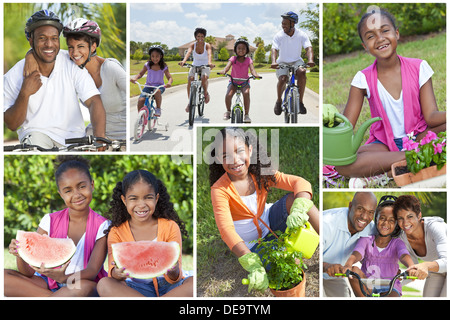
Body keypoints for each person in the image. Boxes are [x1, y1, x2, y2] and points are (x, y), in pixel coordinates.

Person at [323, 8, 446, 185]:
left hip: (419, 136)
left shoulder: (420, 67)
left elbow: (431, 117)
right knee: (342, 165)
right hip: (384, 146)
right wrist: (331, 119)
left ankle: (387, 172)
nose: (380, 38)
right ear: (365, 46)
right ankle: (413, 158)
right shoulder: (362, 79)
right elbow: (346, 126)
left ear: (396, 34)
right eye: (370, 36)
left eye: (385, 30)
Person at [208, 127, 319, 292]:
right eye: (226, 156)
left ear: (250, 150)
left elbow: (299, 182)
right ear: (218, 158)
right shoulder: (219, 190)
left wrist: (300, 207)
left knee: (296, 199)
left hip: (271, 221)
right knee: (287, 265)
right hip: (252, 246)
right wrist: (250, 261)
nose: (235, 160)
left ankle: (326, 243)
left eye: (239, 151)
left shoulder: (261, 172)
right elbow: (226, 230)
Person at [4, 155, 109, 297]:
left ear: (92, 185)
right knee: (4, 277)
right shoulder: (49, 220)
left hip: (79, 282)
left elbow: (91, 271)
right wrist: (21, 254)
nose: (76, 194)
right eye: (68, 190)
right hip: (48, 282)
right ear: (60, 194)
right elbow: (27, 272)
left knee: (83, 287)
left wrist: (63, 278)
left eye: (82, 186)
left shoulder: (102, 225)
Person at [3, 10, 106, 149]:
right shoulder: (14, 75)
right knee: (34, 145)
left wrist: (100, 140)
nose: (49, 44)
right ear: (31, 40)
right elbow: (12, 124)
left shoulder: (71, 63)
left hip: (74, 139)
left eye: (54, 38)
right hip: (36, 136)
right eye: (42, 38)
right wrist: (24, 93)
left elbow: (94, 101)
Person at [97, 170, 193, 297]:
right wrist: (117, 273)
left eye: (148, 197)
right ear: (124, 200)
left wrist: (174, 271)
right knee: (104, 284)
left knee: (193, 283)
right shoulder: (116, 232)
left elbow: (175, 277)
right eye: (133, 198)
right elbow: (112, 271)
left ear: (156, 198)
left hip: (170, 287)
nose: (141, 205)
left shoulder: (170, 226)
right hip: (136, 289)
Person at [335, 195, 418, 297]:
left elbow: (403, 255)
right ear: (376, 218)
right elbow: (357, 253)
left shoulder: (397, 243)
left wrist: (411, 266)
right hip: (368, 283)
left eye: (391, 220)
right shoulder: (366, 239)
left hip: (390, 284)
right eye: (382, 218)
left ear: (396, 224)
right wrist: (348, 264)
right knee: (353, 270)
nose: (386, 223)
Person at [322, 192, 377, 297]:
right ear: (350, 206)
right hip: (313, 271)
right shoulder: (327, 223)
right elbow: (307, 259)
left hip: (334, 276)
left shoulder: (371, 229)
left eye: (370, 212)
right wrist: (327, 266)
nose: (365, 217)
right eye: (360, 209)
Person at [393, 195, 447, 297]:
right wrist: (395, 282)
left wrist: (426, 265)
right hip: (436, 270)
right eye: (400, 218)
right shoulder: (402, 239)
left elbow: (446, 261)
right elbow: (413, 271)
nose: (405, 223)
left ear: (419, 216)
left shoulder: (435, 227)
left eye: (410, 216)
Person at [271, 11, 315, 116]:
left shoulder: (301, 34)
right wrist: (273, 62)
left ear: (293, 23)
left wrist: (311, 60)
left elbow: (308, 48)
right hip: (282, 61)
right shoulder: (279, 35)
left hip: (296, 61)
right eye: (282, 23)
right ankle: (278, 101)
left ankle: (300, 102)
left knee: (302, 72)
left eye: (285, 23)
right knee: (282, 79)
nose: (283, 26)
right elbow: (274, 49)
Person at [219, 38, 261, 123]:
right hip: (233, 82)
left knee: (246, 93)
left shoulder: (248, 60)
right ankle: (228, 111)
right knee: (228, 95)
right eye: (239, 48)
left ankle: (246, 115)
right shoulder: (233, 59)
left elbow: (252, 70)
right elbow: (227, 67)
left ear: (247, 50)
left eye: (243, 48)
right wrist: (224, 71)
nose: (241, 50)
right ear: (235, 49)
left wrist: (255, 75)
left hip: (244, 82)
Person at [179, 27, 215, 112]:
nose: (200, 38)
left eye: (202, 36)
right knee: (190, 80)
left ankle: (205, 93)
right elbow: (188, 53)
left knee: (204, 77)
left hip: (205, 65)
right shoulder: (192, 45)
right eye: (198, 36)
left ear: (204, 37)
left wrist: (209, 63)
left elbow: (209, 54)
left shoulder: (207, 45)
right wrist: (184, 61)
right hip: (195, 65)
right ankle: (189, 103)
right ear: (195, 37)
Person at [130, 45, 173, 117]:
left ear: (161, 56)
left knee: (157, 91)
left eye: (157, 56)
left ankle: (158, 108)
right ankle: (140, 118)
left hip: (159, 86)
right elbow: (140, 74)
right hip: (148, 86)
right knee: (141, 100)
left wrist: (169, 83)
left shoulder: (164, 66)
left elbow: (170, 77)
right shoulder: (147, 65)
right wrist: (135, 78)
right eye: (152, 56)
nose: (155, 58)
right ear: (150, 56)